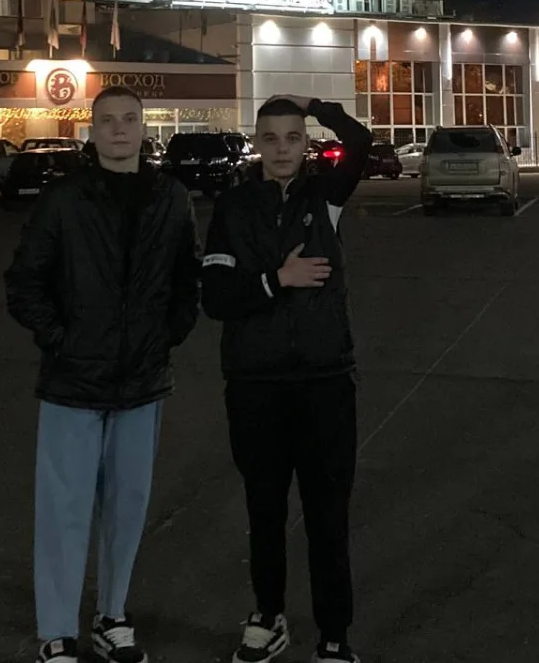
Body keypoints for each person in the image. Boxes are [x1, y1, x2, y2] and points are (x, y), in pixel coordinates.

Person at [4, 86, 202, 663]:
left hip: (143, 381)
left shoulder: (170, 198)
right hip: (73, 383)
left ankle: (112, 616)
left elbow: (187, 278)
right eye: (108, 120)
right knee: (63, 511)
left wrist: (168, 334)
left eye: (129, 119)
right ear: (92, 132)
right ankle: (57, 631)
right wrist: (62, 340)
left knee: (127, 508)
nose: (119, 129)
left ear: (144, 128)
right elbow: (25, 282)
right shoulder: (64, 199)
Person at [202, 95, 372, 663]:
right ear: (257, 143)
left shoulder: (326, 197)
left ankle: (334, 636)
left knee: (328, 515)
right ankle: (267, 616)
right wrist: (278, 279)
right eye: (271, 138)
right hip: (256, 385)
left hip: (325, 382)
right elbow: (217, 297)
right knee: (265, 509)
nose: (281, 149)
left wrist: (316, 105)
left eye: (292, 137)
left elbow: (361, 142)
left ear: (306, 143)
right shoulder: (233, 207)